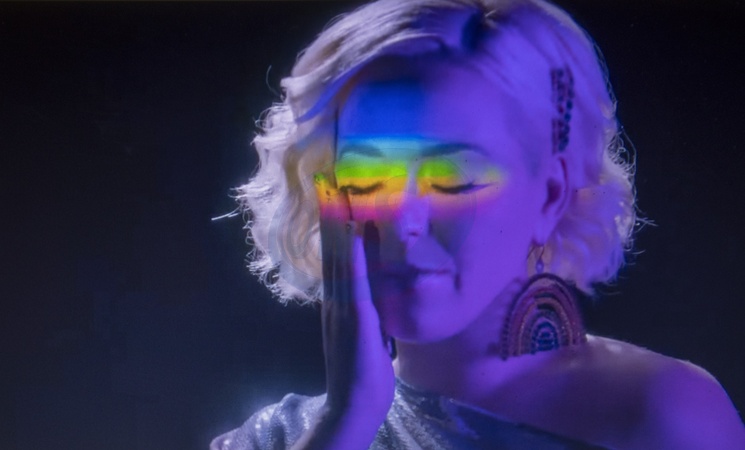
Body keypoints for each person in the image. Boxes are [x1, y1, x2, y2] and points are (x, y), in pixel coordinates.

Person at [212, 0, 745, 448]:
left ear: (551, 196)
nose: (404, 220)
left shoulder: (662, 415)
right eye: (367, 179)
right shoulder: (277, 439)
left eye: (453, 181)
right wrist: (345, 424)